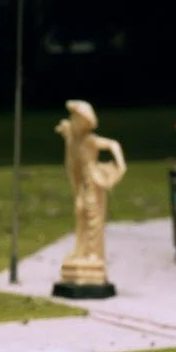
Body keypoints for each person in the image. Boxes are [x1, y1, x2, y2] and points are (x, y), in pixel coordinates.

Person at [57, 100, 126, 277]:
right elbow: (66, 131)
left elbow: (113, 144)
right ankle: (80, 250)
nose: (73, 121)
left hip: (93, 182)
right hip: (82, 184)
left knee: (93, 216)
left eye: (76, 118)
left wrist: (120, 164)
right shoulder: (74, 137)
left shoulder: (89, 140)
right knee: (80, 212)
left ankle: (94, 254)